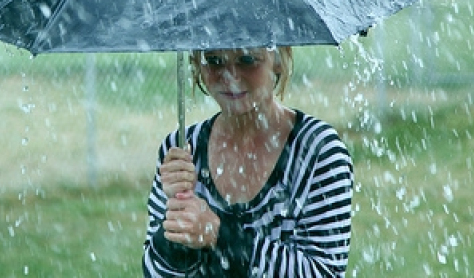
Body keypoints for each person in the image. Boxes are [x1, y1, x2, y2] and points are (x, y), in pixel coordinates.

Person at [142, 47, 353, 277]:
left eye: (247, 59)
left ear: (279, 60)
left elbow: (324, 272)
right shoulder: (182, 148)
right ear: (197, 64)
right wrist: (176, 228)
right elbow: (156, 273)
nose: (230, 76)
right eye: (214, 61)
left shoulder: (317, 151)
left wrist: (218, 234)